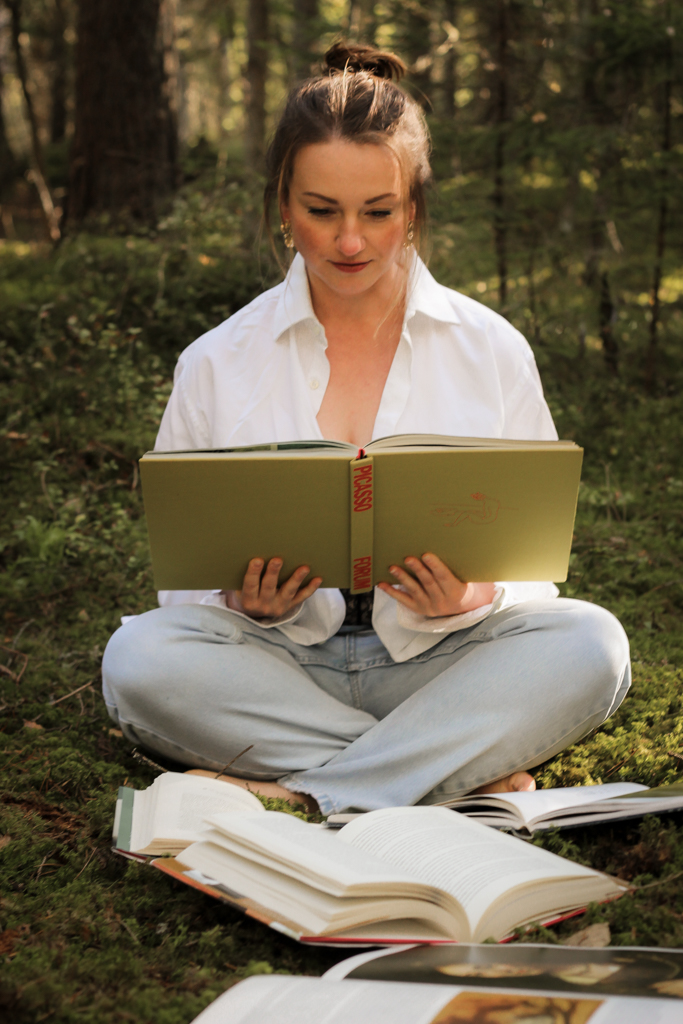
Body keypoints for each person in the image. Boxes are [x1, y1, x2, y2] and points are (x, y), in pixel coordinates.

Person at [102, 43, 631, 816]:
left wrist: (477, 593)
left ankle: (296, 793)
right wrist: (245, 605)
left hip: (441, 660)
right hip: (279, 667)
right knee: (138, 659)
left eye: (377, 212)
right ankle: (441, 774)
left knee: (591, 646)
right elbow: (181, 588)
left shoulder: (489, 349)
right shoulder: (217, 361)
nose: (349, 242)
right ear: (283, 206)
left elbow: (532, 571)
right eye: (321, 211)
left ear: (412, 208)